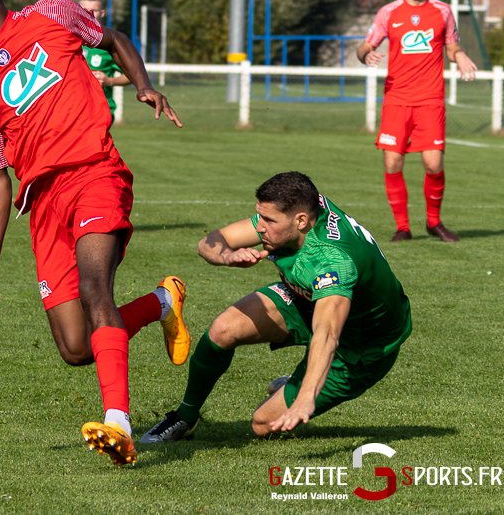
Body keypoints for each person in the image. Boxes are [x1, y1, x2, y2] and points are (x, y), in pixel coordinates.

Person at [0, 0, 188, 466]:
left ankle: (118, 425)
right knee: (75, 347)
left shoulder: (52, 14)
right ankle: (163, 301)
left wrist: (143, 83)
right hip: (43, 202)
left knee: (96, 290)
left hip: (95, 173)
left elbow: (113, 39)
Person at [140, 172, 411, 443]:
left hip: (362, 345)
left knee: (262, 423)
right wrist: (228, 256)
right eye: (260, 216)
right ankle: (185, 416)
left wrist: (305, 397)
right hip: (307, 297)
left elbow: (327, 334)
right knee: (224, 329)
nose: (259, 227)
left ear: (301, 221)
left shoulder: (332, 263)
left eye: (269, 220)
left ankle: (297, 386)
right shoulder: (301, 209)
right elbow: (209, 243)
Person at [356, 0, 478, 243]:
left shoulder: (443, 12)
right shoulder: (388, 12)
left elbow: (452, 47)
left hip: (430, 99)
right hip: (396, 99)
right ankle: (403, 228)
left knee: (434, 164)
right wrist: (366, 55)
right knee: (392, 164)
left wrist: (460, 56)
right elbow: (364, 46)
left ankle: (434, 223)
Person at [77, 0, 132, 123]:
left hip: (99, 111)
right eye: (84, 10)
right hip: (72, 109)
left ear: (102, 13)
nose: (88, 14)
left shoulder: (111, 43)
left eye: (93, 11)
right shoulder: (68, 38)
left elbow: (132, 75)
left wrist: (110, 81)